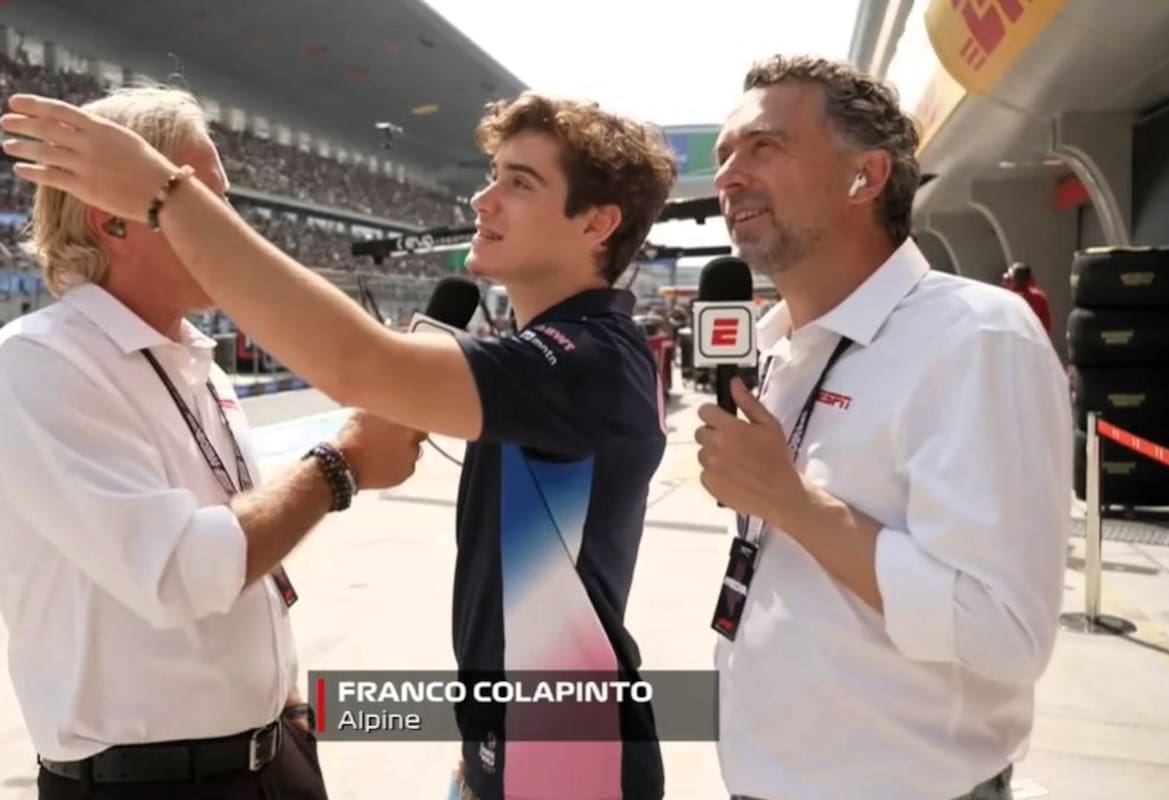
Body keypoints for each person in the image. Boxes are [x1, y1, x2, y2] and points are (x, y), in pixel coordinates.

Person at [2, 88, 679, 800]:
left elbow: (364, 365)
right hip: (515, 747)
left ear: (597, 223)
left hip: (570, 755)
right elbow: (194, 567)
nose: (483, 201)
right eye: (492, 177)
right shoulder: (47, 362)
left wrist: (169, 195)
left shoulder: (585, 361)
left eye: (519, 182)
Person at [0, 86, 424, 800]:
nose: (228, 227)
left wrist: (284, 710)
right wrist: (339, 465)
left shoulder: (198, 364)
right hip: (149, 784)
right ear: (114, 222)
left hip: (268, 754)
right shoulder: (38, 363)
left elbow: (239, 564)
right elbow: (177, 572)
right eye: (198, 201)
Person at [693, 55, 1071, 800]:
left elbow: (1004, 632)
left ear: (864, 177)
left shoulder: (975, 337)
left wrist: (794, 504)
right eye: (724, 156)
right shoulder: (779, 346)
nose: (730, 177)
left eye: (763, 147)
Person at [1007, 261, 1052, 336]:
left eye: (1013, 276)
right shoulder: (1009, 295)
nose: (1010, 278)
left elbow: (1045, 323)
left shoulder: (1037, 298)